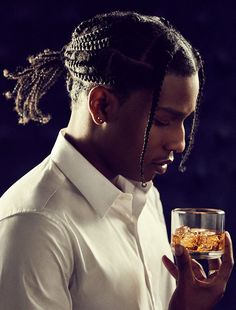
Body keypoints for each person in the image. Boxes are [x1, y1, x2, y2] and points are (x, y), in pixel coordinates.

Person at [1, 11, 233, 310]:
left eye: (184, 121)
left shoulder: (146, 197)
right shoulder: (34, 226)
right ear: (102, 105)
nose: (180, 142)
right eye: (163, 120)